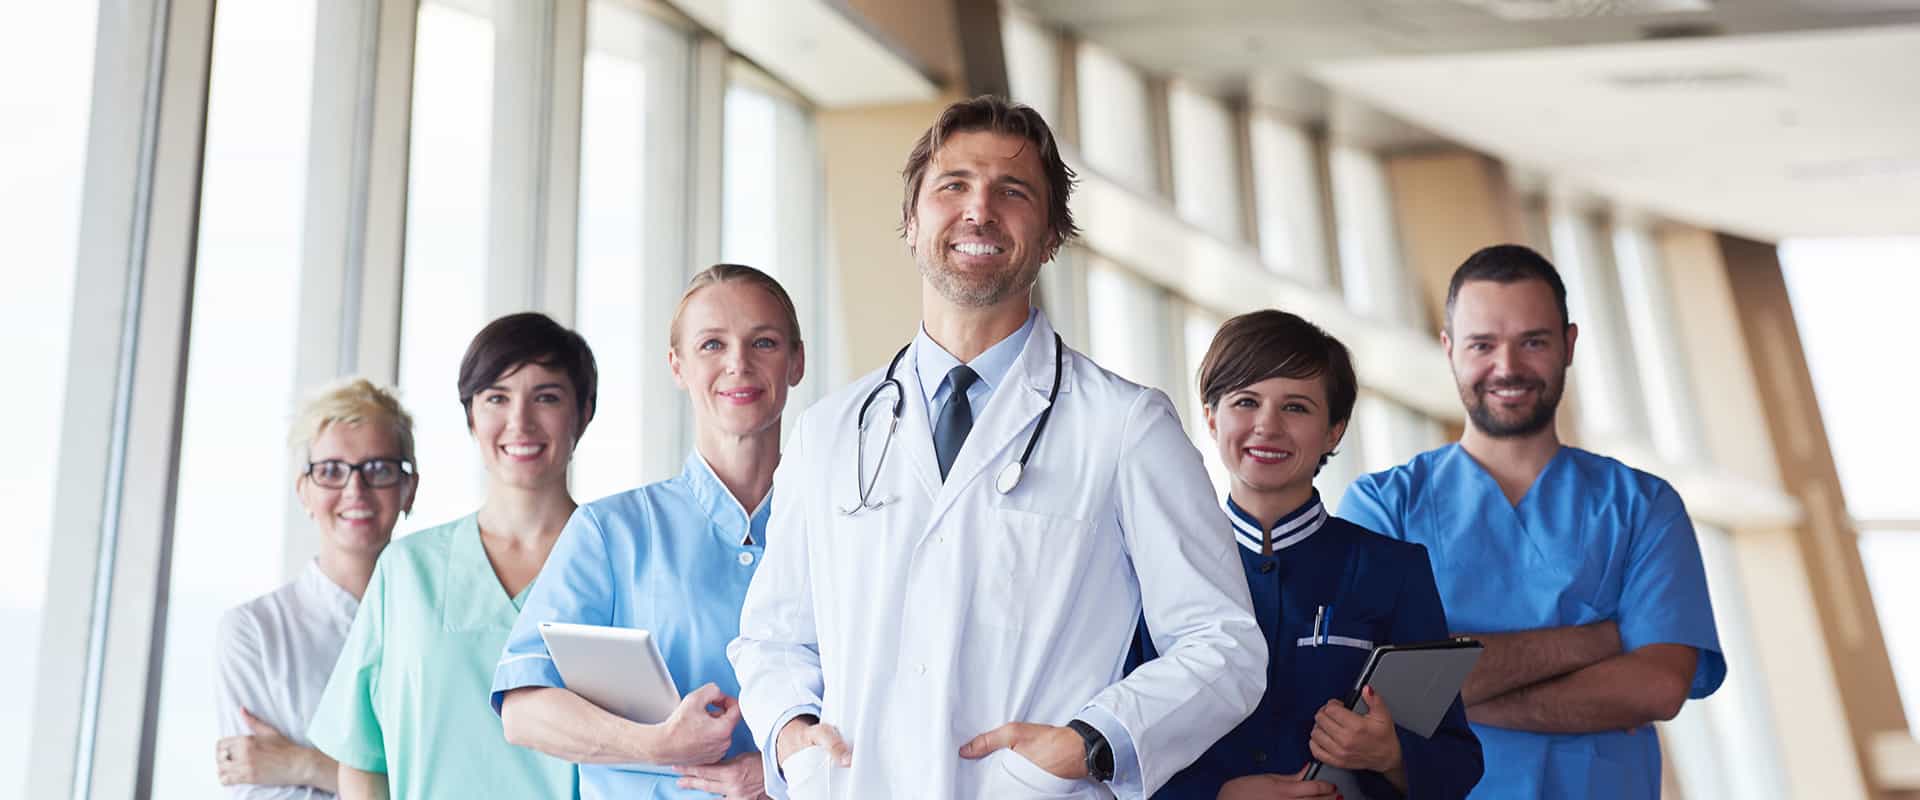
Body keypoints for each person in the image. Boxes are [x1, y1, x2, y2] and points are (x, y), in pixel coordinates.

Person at [728, 95, 1266, 800]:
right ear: (912, 222)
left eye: (1012, 192)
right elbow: (773, 635)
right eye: (953, 186)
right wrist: (793, 732)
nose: (979, 210)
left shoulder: (1126, 426)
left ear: (1050, 236)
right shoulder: (829, 432)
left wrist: (1094, 739)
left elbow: (1224, 644)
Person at [1339, 244, 1725, 799]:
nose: (1508, 367)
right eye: (1482, 345)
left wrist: (1454, 698)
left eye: (1533, 342)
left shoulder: (1644, 506)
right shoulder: (1385, 506)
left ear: (1568, 345)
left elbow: (1658, 686)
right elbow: (1377, 689)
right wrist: (1604, 639)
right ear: (1449, 350)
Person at [1133, 310, 1482, 800]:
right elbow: (1117, 747)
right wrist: (1220, 795)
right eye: (1246, 402)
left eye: (1296, 407)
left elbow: (1459, 762)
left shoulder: (1394, 570)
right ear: (1211, 418)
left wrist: (1392, 755)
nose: (1267, 426)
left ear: (1334, 431)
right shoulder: (1155, 566)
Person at [492, 264, 807, 800]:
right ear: (677, 366)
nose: (738, 363)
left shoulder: (838, 529)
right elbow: (524, 711)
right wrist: (656, 745)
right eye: (712, 344)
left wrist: (781, 765)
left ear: (796, 362)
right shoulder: (610, 533)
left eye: (764, 342)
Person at [308, 312, 595, 800]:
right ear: (470, 416)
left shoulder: (617, 562)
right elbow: (361, 759)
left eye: (545, 397)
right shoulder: (406, 572)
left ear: (583, 412)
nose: (519, 422)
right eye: (496, 398)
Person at [214, 379, 419, 798]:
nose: (354, 490)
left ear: (408, 489)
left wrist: (301, 763)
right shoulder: (253, 631)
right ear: (303, 491)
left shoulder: (437, 623)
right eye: (330, 471)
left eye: (378, 469)